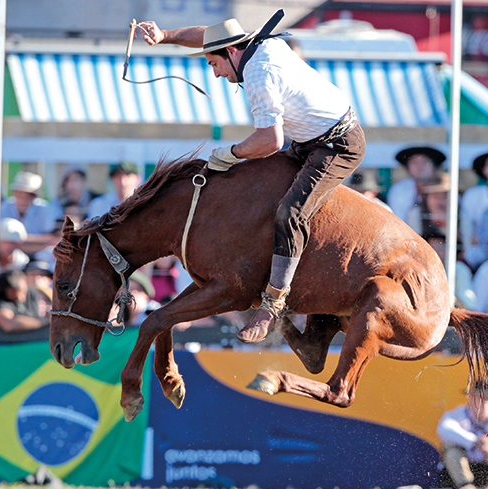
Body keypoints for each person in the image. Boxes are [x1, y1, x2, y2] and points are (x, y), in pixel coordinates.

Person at [139, 14, 366, 343]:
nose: (214, 73)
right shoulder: (259, 45)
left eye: (214, 64)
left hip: (337, 146)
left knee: (290, 213)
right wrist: (164, 36)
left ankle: (273, 303)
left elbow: (269, 142)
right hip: (311, 140)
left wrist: (230, 153)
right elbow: (208, 34)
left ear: (232, 52)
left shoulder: (259, 74)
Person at [387, 146, 446, 223]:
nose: (420, 167)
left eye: (425, 162)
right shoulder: (398, 191)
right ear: (407, 167)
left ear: (434, 166)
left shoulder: (446, 190)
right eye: (414, 162)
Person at [423, 226, 476, 310]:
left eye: (440, 247)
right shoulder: (420, 270)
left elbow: (468, 302)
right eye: (431, 247)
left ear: (449, 249)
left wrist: (451, 300)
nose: (436, 251)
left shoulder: (459, 269)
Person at [0, 171, 56, 240]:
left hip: (39, 250)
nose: (22, 200)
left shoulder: (45, 209)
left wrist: (18, 239)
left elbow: (49, 237)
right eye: (19, 194)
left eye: (28, 195)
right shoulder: (5, 207)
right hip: (9, 249)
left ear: (34, 196)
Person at [0, 268, 48, 333]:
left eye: (23, 292)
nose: (21, 298)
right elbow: (8, 324)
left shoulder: (32, 293)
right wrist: (42, 323)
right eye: (14, 293)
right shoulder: (1, 300)